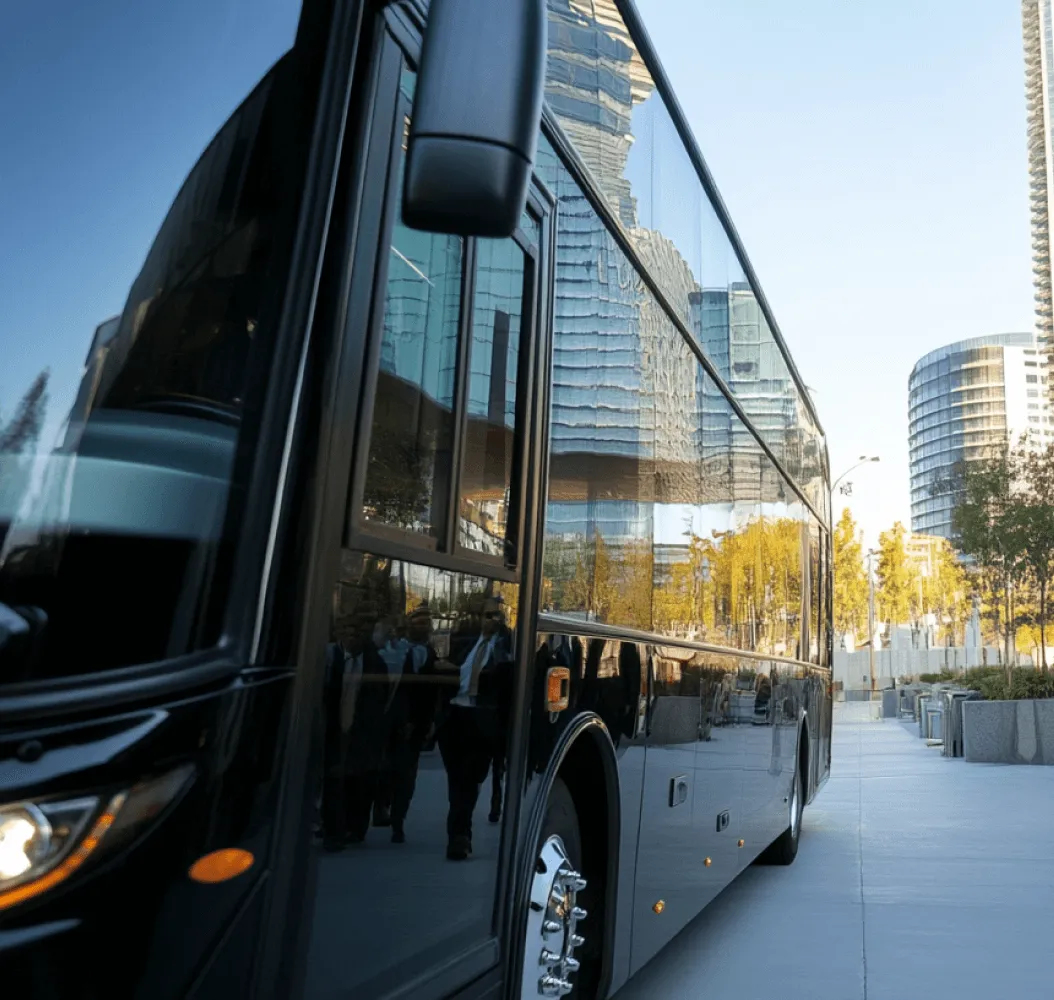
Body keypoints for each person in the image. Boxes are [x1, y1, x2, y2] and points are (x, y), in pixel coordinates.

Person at [435, 595, 513, 861]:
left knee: (469, 780)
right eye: (485, 615)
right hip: (455, 717)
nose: (489, 620)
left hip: (483, 721)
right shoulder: (466, 643)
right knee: (456, 781)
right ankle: (458, 833)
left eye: (495, 615)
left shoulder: (506, 647)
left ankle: (459, 836)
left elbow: (507, 680)